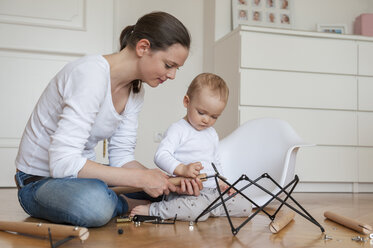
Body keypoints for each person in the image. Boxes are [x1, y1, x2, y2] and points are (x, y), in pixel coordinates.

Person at [14, 11, 203, 228]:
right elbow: (61, 163)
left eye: (176, 69)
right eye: (169, 65)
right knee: (94, 204)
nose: (172, 76)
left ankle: (123, 198)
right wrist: (142, 179)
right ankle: (124, 203)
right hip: (38, 182)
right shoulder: (90, 74)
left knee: (164, 188)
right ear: (143, 47)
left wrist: (165, 180)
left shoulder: (135, 92)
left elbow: (121, 157)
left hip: (78, 177)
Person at [130, 73, 252, 221]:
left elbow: (215, 161)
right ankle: (153, 209)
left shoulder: (212, 133)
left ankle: (208, 209)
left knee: (245, 206)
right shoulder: (178, 129)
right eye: (201, 112)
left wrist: (222, 183)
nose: (207, 120)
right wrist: (182, 169)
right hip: (185, 191)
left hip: (213, 192)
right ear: (187, 101)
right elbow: (161, 155)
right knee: (197, 209)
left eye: (214, 117)